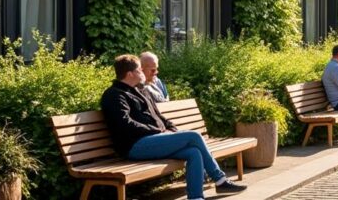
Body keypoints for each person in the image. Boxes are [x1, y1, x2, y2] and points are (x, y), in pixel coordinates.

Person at [101, 55, 246, 200]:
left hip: (154, 139)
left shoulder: (141, 90)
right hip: (134, 146)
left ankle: (195, 197)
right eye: (139, 69)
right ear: (130, 74)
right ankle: (220, 179)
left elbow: (159, 116)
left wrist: (172, 129)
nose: (142, 72)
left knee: (194, 152)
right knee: (194, 136)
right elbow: (125, 124)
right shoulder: (114, 95)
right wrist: (158, 131)